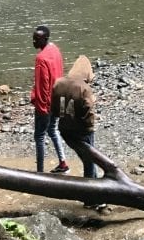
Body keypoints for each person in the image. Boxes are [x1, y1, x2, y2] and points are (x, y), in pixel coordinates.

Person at [51, 55, 98, 179]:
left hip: (65, 130)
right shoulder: (84, 88)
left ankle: (95, 182)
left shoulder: (58, 83)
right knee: (89, 161)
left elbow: (54, 109)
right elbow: (88, 110)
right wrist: (89, 127)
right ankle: (90, 190)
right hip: (82, 130)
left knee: (87, 159)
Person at [31, 25, 68, 173]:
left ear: (45, 39)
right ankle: (63, 163)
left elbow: (43, 85)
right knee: (52, 130)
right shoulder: (55, 49)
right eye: (33, 38)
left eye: (37, 39)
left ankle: (40, 173)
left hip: (46, 104)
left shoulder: (41, 58)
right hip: (58, 99)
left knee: (39, 136)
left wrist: (41, 107)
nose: (33, 41)